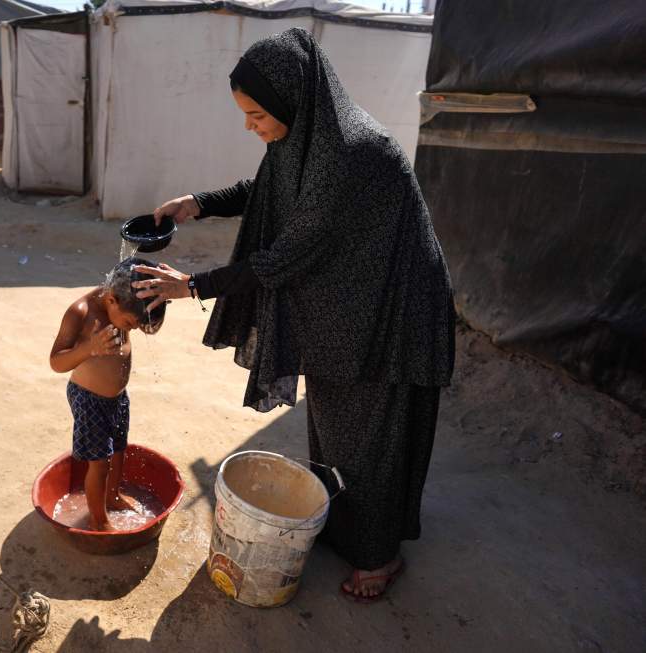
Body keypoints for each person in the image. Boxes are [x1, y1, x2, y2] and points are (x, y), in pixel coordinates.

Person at [133, 28, 455, 600]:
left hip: (395, 308)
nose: (251, 127)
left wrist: (194, 285)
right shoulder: (305, 137)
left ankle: (379, 557)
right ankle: (343, 523)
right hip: (349, 297)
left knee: (374, 432)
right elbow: (265, 189)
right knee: (334, 421)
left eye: (256, 115)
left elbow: (286, 254)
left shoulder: (352, 152)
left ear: (289, 100)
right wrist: (199, 204)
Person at [49, 258, 167, 531]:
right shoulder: (81, 312)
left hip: (117, 397)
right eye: (129, 323)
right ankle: (99, 519)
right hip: (89, 399)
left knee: (118, 452)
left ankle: (112, 496)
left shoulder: (124, 300)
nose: (131, 329)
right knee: (99, 464)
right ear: (112, 300)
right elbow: (56, 362)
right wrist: (89, 348)